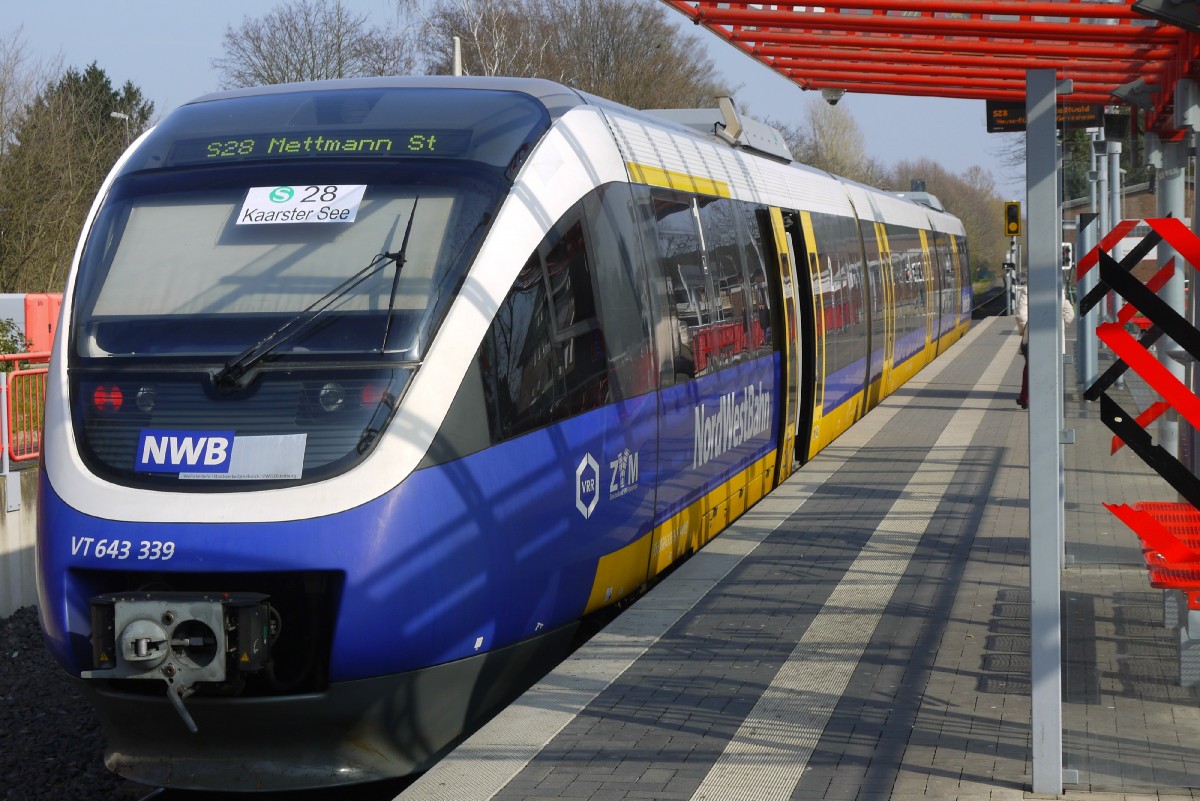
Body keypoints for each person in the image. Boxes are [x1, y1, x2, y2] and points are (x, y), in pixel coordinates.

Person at [1014, 283, 1075, 409]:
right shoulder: (1058, 289)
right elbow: (1069, 314)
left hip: (1033, 337)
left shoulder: (1028, 289)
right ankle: (1047, 397)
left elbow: (1021, 315)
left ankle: (1026, 397)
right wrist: (1062, 325)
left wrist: (1025, 329)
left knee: (1030, 367)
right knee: (1051, 368)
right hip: (1054, 339)